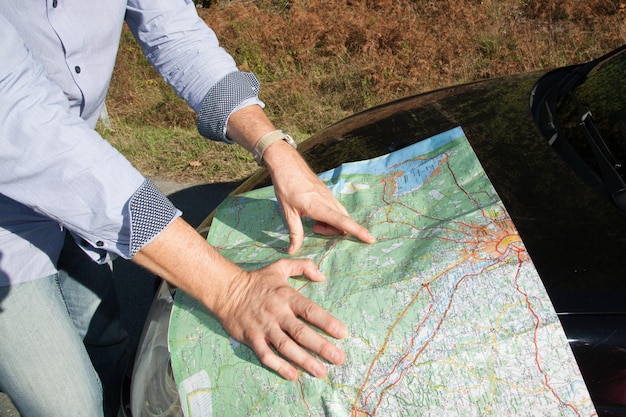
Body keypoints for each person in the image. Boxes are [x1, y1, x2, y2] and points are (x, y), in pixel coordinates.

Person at [0, 1, 376, 416]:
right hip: (13, 221)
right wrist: (231, 290)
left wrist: (274, 148)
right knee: (68, 403)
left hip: (86, 196)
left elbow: (177, 37)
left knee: (107, 341)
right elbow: (21, 120)